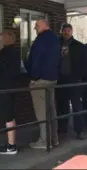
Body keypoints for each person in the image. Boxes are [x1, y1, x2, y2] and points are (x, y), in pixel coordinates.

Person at [26, 19, 60, 149]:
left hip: (41, 80)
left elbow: (36, 59)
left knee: (42, 111)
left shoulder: (41, 40)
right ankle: (54, 138)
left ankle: (44, 141)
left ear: (46, 25)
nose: (35, 28)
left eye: (37, 25)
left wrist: (34, 77)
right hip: (53, 78)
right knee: (51, 110)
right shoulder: (55, 39)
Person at [56, 24, 87, 140]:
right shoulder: (56, 44)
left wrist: (80, 76)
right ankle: (62, 130)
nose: (66, 33)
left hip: (75, 80)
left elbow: (85, 63)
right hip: (60, 80)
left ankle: (79, 131)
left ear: (72, 32)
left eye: (68, 31)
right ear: (62, 31)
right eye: (64, 31)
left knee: (76, 106)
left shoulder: (79, 46)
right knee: (62, 107)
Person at [0, 31, 20, 155]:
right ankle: (12, 143)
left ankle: (11, 146)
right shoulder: (16, 52)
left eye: (0, 39)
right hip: (13, 86)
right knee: (11, 114)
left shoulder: (4, 52)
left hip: (5, 86)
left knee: (8, 115)